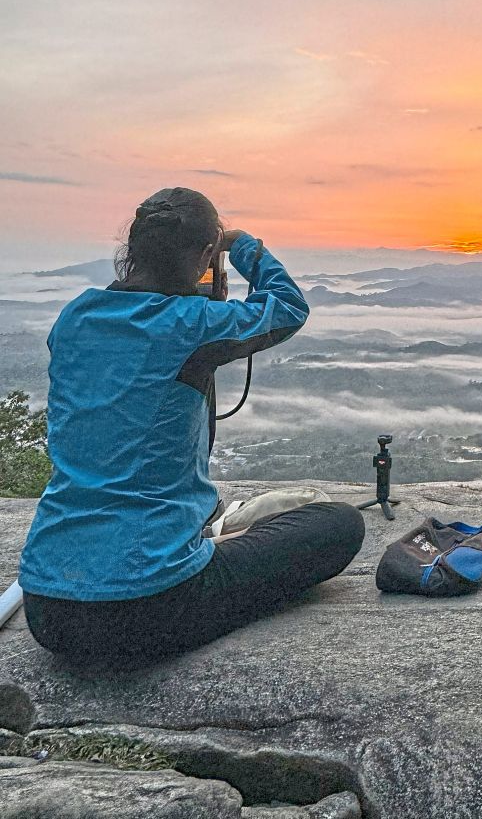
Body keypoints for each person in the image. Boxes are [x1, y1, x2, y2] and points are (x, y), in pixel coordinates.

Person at [19, 187, 364, 668]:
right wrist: (241, 244)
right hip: (146, 605)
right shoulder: (190, 323)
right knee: (339, 524)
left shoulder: (74, 316)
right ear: (206, 254)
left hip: (46, 608)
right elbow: (288, 307)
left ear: (133, 250)